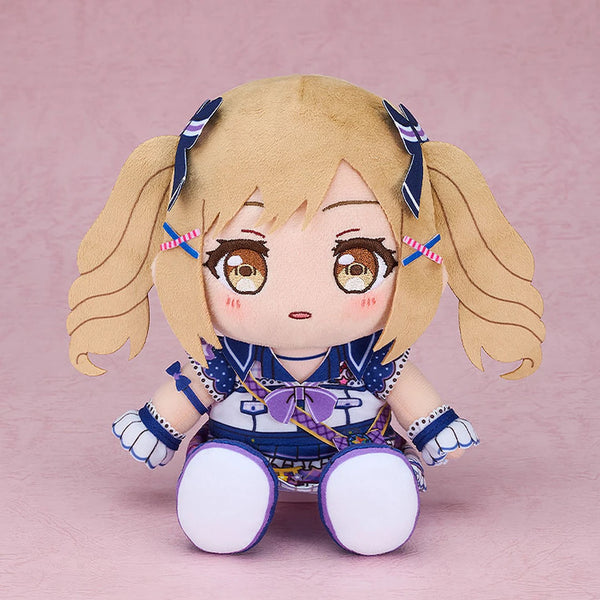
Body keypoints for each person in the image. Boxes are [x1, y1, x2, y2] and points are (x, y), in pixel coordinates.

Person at [68, 75, 544, 555]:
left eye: (357, 265)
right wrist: (157, 426)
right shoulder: (229, 356)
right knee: (226, 476)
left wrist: (434, 427)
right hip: (243, 450)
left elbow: (405, 389)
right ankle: (228, 488)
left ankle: (368, 490)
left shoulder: (369, 355)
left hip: (354, 448)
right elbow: (192, 387)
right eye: (243, 266)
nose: (301, 299)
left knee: (370, 477)